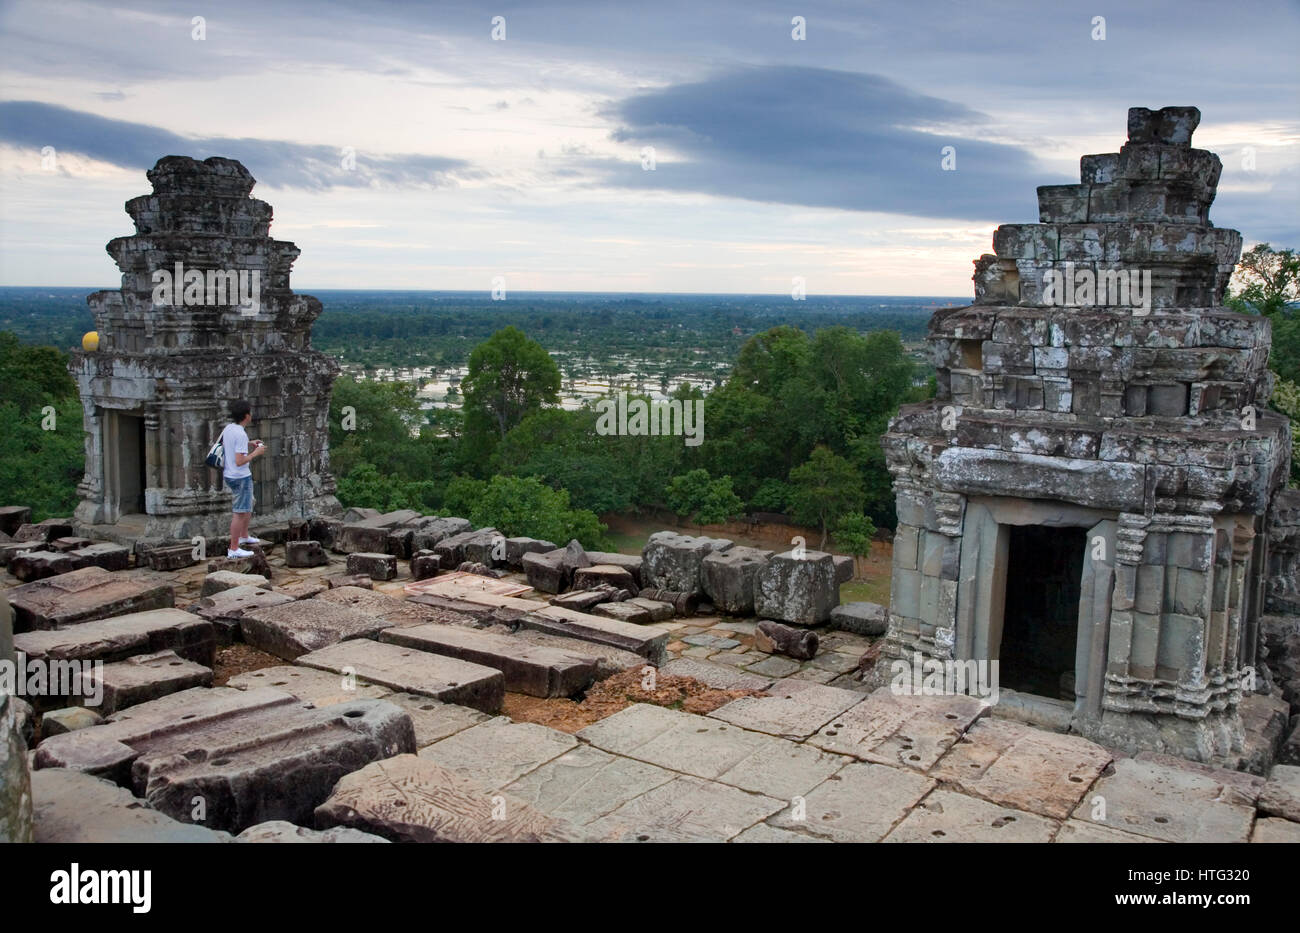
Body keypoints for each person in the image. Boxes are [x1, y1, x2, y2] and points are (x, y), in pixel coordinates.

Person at [221, 399, 266, 558]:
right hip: (240, 476)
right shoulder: (240, 433)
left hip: (230, 474)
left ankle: (244, 536)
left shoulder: (229, 428)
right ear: (246, 416)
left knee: (248, 504)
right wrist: (256, 453)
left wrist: (249, 443)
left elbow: (231, 445)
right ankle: (233, 548)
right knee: (239, 512)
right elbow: (240, 461)